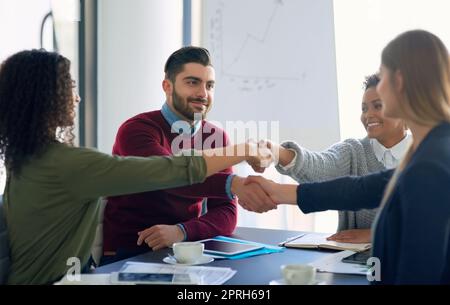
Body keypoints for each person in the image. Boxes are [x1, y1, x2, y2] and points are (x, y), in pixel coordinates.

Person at [0, 49, 273, 284]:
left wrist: (183, 230)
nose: (76, 97)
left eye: (210, 85)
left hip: (74, 274)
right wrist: (241, 157)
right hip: (99, 265)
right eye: (68, 86)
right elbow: (166, 171)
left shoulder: (30, 158)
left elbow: (220, 206)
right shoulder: (75, 161)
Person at [243, 30, 450, 284]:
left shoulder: (431, 163)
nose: (379, 89)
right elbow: (364, 188)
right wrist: (278, 191)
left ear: (399, 81)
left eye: (382, 77)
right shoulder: (432, 150)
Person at [102, 47, 273, 264]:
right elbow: (169, 175)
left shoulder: (216, 136)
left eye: (209, 85)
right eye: (192, 82)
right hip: (130, 252)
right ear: (167, 86)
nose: (203, 94)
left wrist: (182, 232)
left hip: (184, 251)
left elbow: (227, 213)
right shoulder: (137, 130)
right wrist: (233, 182)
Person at [252, 74, 410, 243]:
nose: (368, 115)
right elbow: (319, 166)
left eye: (378, 106)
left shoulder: (425, 158)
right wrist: (277, 152)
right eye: (364, 109)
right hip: (354, 262)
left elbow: (431, 224)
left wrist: (374, 234)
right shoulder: (353, 151)